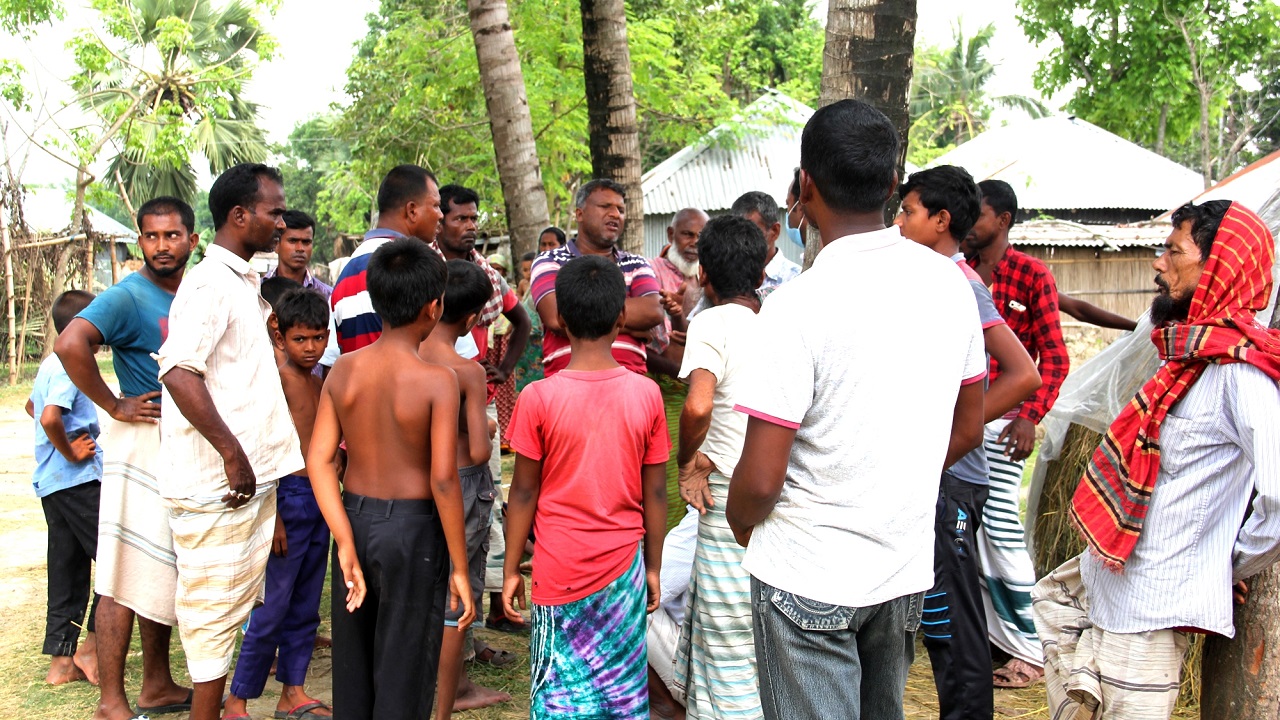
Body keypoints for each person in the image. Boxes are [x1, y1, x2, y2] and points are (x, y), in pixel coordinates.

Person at [725, 99, 988, 720]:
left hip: (805, 573)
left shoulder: (795, 307)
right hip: (898, 570)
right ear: (894, 186)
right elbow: (970, 424)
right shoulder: (950, 283)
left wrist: (741, 526)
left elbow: (760, 479)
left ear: (805, 186)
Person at [1034, 200, 1280, 719]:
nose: (1158, 262)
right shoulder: (1184, 359)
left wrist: (1226, 563)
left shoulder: (1241, 377)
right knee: (1049, 599)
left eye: (1174, 250)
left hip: (1150, 612)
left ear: (1219, 268)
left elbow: (1279, 497)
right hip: (1109, 583)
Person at [154, 163, 304, 720]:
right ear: (240, 216)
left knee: (226, 613)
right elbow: (177, 371)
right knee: (211, 620)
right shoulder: (209, 284)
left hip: (243, 484)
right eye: (274, 210)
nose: (281, 220)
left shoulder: (240, 280)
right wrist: (232, 453)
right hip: (217, 485)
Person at [306, 238, 474, 720]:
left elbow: (319, 461)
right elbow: (443, 480)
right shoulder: (438, 380)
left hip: (355, 520)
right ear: (433, 307)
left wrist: (342, 539)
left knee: (353, 666)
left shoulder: (342, 372)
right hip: (414, 532)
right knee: (405, 667)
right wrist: (460, 568)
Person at [895, 166, 1041, 720]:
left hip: (954, 477)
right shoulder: (931, 279)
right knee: (941, 617)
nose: (899, 223)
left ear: (940, 220)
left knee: (952, 624)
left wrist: (954, 434)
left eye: (907, 213)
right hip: (944, 473)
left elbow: (1023, 374)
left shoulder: (958, 281)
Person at [502, 255, 670, 719]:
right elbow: (655, 493)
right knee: (621, 696)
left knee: (560, 698)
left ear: (559, 322)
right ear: (621, 317)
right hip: (624, 571)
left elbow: (522, 494)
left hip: (558, 571)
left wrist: (512, 566)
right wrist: (652, 567)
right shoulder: (645, 393)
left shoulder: (538, 397)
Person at [54, 196, 196, 720]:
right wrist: (113, 404)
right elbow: (72, 343)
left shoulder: (193, 292)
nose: (162, 245)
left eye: (172, 235)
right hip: (141, 443)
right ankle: (110, 701)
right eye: (152, 236)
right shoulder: (128, 295)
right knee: (120, 573)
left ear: (191, 240)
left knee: (160, 567)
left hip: (180, 444)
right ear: (140, 241)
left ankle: (156, 684)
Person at [964, 179, 1067, 687]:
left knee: (1001, 531)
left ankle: (1030, 647)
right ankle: (991, 639)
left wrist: (1030, 414)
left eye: (978, 214)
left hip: (1005, 424)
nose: (969, 221)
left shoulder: (1031, 274)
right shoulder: (958, 267)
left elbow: (1055, 357)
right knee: (971, 532)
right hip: (961, 419)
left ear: (1002, 220)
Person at [671, 215, 769, 719]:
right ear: (765, 264)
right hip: (770, 487)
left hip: (725, 492)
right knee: (752, 628)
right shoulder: (775, 322)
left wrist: (688, 463)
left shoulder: (710, 322)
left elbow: (698, 406)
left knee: (725, 628)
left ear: (703, 273)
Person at [223, 289, 333, 720]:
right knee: (272, 609)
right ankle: (237, 701)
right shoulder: (275, 379)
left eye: (318, 338)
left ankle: (294, 690)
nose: (310, 348)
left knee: (306, 605)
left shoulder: (319, 378)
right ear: (280, 336)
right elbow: (260, 447)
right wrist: (272, 517)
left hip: (318, 499)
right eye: (301, 339)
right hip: (285, 497)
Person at [433, 184, 531, 649]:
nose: (470, 226)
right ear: (439, 221)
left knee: (481, 500)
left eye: (474, 218)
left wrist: (503, 369)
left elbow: (522, 321)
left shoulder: (488, 274)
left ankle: (484, 615)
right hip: (435, 395)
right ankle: (453, 633)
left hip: (477, 395)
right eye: (460, 219)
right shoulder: (426, 269)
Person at [420, 259, 511, 716]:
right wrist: (488, 432)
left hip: (413, 486)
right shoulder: (467, 370)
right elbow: (476, 451)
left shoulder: (408, 354)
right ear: (474, 317)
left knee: (420, 586)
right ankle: (449, 695)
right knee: (456, 597)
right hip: (460, 485)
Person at [30, 290, 102, 688]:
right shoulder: (70, 364)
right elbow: (48, 416)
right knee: (112, 560)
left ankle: (61, 660)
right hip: (76, 481)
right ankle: (90, 647)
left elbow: (31, 405)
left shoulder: (48, 365)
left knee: (67, 567)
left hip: (52, 485)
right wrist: (71, 451)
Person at [529, 179, 663, 376]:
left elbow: (653, 312)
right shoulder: (550, 261)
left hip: (630, 382)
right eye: (605, 206)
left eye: (621, 209)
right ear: (579, 214)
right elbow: (555, 317)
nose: (615, 214)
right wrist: (631, 328)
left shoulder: (636, 263)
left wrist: (581, 316)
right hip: (568, 382)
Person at [329, 164, 443, 355]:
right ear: (412, 211)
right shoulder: (412, 267)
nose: (440, 215)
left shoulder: (347, 272)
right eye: (436, 205)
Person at [647, 208, 708, 378]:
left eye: (701, 237)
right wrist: (677, 372)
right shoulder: (649, 272)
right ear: (670, 234)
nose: (695, 242)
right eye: (688, 235)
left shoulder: (710, 277)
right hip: (662, 380)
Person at [730, 190, 801, 297]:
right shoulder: (727, 276)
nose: (741, 239)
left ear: (774, 231)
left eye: (750, 231)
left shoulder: (796, 279)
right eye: (736, 232)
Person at [266, 210, 332, 301]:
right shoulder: (257, 291)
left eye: (306, 242)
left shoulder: (327, 296)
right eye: (293, 241)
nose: (300, 248)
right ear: (276, 245)